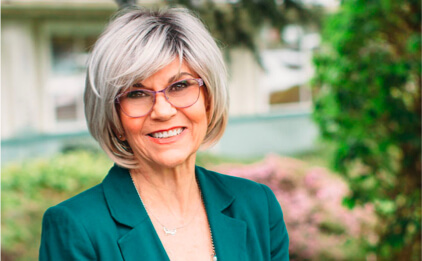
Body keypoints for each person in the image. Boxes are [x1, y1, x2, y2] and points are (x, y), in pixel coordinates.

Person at [39, 7, 289, 261]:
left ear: (209, 100)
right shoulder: (75, 227)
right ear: (114, 119)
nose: (163, 111)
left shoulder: (257, 206)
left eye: (180, 86)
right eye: (136, 94)